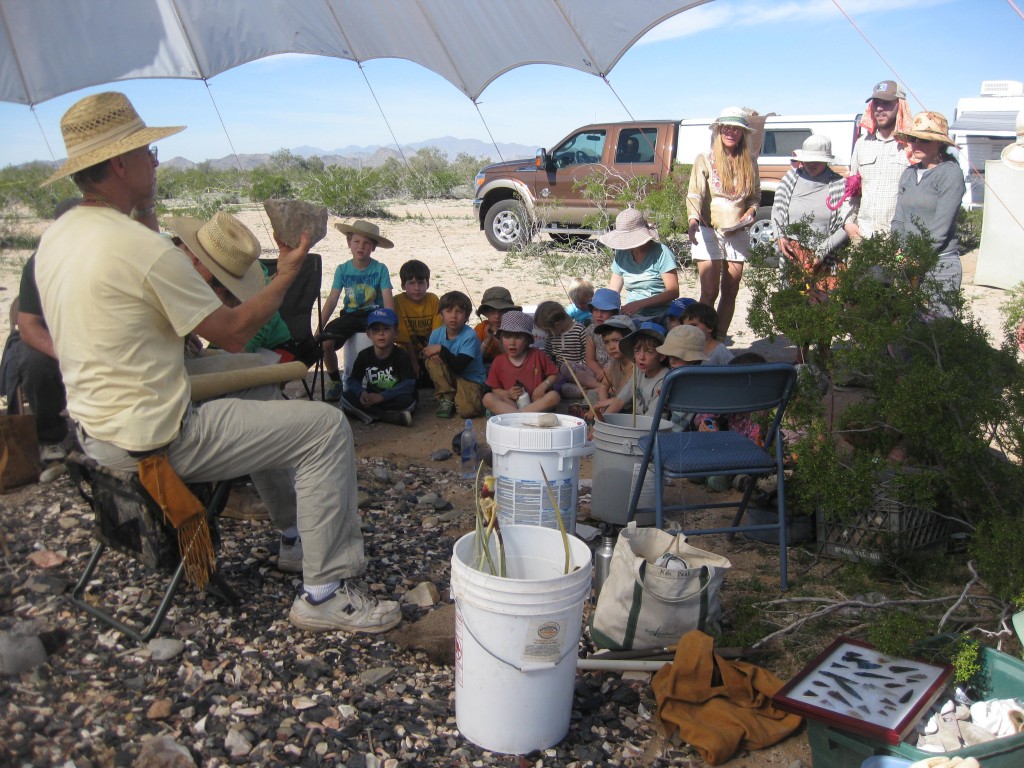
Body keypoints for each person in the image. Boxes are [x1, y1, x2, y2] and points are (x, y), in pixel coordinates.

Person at [35, 91, 400, 634]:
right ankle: (324, 593)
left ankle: (295, 541)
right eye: (148, 151)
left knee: (256, 376)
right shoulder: (142, 251)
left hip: (96, 423)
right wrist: (286, 273)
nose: (155, 160)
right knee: (324, 427)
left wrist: (148, 208)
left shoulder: (60, 235)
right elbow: (232, 331)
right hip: (153, 436)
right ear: (119, 163)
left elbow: (231, 350)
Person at [13, 197, 81, 462]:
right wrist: (66, 353)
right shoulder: (39, 263)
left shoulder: (104, 255)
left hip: (89, 333)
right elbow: (28, 326)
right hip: (50, 338)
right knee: (34, 363)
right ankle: (51, 436)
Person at [167, 216, 293, 358]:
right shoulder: (177, 274)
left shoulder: (255, 302)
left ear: (221, 285)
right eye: (187, 248)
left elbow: (237, 349)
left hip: (274, 352)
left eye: (202, 260)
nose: (190, 258)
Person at [686, 107, 762, 342]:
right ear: (719, 131)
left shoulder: (749, 161)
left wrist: (750, 212)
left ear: (742, 133)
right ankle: (696, 338)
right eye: (726, 128)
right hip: (708, 230)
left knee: (731, 289)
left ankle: (718, 340)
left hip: (737, 232)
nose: (731, 132)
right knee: (709, 291)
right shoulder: (704, 159)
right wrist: (692, 220)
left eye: (736, 129)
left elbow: (755, 197)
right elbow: (695, 193)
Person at [891, 111, 967, 315]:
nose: (915, 144)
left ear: (939, 143)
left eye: (923, 140)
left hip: (939, 263)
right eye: (913, 139)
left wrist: (915, 258)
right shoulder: (908, 173)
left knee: (937, 331)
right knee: (905, 327)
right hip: (906, 261)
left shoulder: (950, 173)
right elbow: (898, 219)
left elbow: (941, 228)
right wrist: (899, 253)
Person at [320, 220, 395, 402]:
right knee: (326, 343)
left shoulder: (380, 269)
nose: (361, 247)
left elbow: (387, 298)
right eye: (356, 242)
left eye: (367, 243)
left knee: (382, 340)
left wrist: (391, 322)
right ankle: (336, 381)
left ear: (373, 247)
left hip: (374, 313)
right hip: (350, 314)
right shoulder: (342, 269)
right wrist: (320, 327)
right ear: (349, 243)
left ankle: (379, 379)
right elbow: (332, 299)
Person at [772, 135, 852, 303]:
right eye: (809, 160)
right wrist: (780, 236)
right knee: (794, 303)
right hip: (794, 254)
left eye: (818, 160)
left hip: (827, 255)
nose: (812, 164)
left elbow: (846, 225)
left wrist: (822, 251)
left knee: (823, 307)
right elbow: (777, 210)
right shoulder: (790, 179)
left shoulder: (839, 185)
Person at [845, 80, 912, 243]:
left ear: (900, 105)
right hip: (863, 236)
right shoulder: (862, 144)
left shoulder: (911, 145)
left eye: (887, 103)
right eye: (876, 103)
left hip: (898, 240)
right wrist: (848, 222)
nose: (880, 108)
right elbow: (853, 190)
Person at [341, 308, 417, 427]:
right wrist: (361, 393)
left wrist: (382, 397)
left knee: (408, 401)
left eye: (386, 329)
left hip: (392, 398)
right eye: (376, 330)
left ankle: (369, 415)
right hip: (372, 398)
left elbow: (409, 384)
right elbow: (352, 380)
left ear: (396, 333)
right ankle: (388, 417)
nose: (381, 334)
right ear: (369, 334)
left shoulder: (402, 356)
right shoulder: (364, 355)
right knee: (346, 397)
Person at [601, 208, 680, 319]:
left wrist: (640, 304)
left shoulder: (662, 252)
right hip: (631, 314)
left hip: (660, 314)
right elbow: (613, 291)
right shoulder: (621, 254)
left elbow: (673, 292)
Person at [422, 290, 486, 419]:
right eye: (448, 310)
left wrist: (441, 349)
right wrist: (429, 352)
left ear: (467, 316)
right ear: (440, 315)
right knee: (431, 361)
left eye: (459, 311)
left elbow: (459, 366)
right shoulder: (436, 333)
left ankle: (464, 395)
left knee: (467, 411)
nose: (453, 316)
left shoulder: (470, 336)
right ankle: (446, 397)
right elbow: (427, 353)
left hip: (469, 378)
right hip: (450, 374)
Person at [481, 311, 560, 415]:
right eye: (507, 337)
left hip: (536, 402)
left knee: (554, 396)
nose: (512, 342)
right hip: (512, 404)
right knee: (487, 398)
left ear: (527, 340)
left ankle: (516, 416)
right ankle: (522, 415)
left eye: (518, 337)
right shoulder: (498, 362)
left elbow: (554, 374)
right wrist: (507, 393)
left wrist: (543, 386)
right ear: (501, 338)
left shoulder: (537, 355)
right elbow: (495, 389)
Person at [533, 300, 603, 399]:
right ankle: (587, 392)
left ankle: (599, 387)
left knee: (566, 367)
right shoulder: (551, 336)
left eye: (548, 330)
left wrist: (578, 365)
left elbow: (587, 355)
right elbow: (548, 356)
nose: (547, 333)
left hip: (581, 372)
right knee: (563, 388)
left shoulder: (579, 330)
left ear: (557, 324)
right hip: (562, 376)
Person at [597, 321, 667, 417]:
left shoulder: (664, 380)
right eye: (637, 351)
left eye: (648, 351)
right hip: (636, 420)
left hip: (650, 426)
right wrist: (603, 421)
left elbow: (651, 420)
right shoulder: (639, 371)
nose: (641, 357)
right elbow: (621, 399)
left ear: (662, 356)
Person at [393, 259, 440, 382]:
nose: (417, 288)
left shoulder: (433, 300)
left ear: (427, 284)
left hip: (431, 349)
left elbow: (437, 333)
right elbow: (405, 339)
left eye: (421, 283)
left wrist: (430, 353)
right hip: (406, 352)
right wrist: (414, 363)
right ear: (403, 285)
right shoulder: (398, 302)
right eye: (411, 283)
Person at [592, 315, 636, 405]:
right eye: (606, 342)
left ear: (631, 339)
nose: (611, 347)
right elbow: (604, 386)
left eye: (616, 340)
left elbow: (627, 399)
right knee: (592, 394)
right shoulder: (613, 363)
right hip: (615, 402)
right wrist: (603, 403)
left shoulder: (637, 365)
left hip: (631, 408)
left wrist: (605, 404)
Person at [473, 286, 521, 365]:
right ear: (485, 313)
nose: (497, 316)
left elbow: (513, 360)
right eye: (492, 311)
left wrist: (498, 339)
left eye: (502, 311)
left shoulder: (514, 329)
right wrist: (487, 340)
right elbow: (475, 358)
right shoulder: (480, 328)